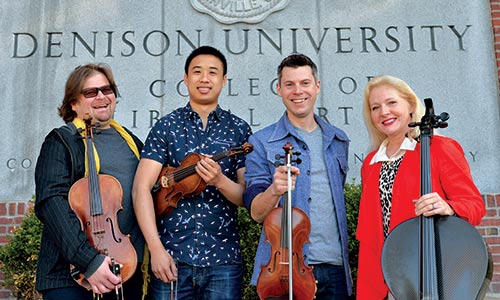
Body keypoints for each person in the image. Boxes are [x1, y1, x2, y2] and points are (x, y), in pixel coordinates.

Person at [132, 45, 252, 300]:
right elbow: (141, 188)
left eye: (212, 72)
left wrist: (219, 180)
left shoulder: (239, 129)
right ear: (186, 79)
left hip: (224, 260)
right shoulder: (167, 126)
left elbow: (245, 197)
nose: (205, 78)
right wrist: (156, 249)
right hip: (171, 257)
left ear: (224, 80)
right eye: (197, 72)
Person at [355, 75, 486, 299]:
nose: (383, 112)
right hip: (380, 277)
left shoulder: (439, 148)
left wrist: (448, 207)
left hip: (428, 272)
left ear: (411, 106)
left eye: (391, 103)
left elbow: (475, 206)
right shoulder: (370, 163)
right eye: (375, 107)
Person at [34, 63, 149, 299]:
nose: (101, 96)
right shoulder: (61, 141)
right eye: (91, 92)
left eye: (107, 90)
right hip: (71, 275)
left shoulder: (132, 142)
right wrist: (90, 261)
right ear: (73, 104)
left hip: (124, 270)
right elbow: (51, 204)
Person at [243, 53, 352, 299]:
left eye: (304, 83)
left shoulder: (338, 140)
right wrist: (274, 190)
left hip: (334, 267)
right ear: (279, 89)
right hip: (283, 271)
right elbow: (256, 213)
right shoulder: (260, 142)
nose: (297, 91)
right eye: (289, 84)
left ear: (317, 86)